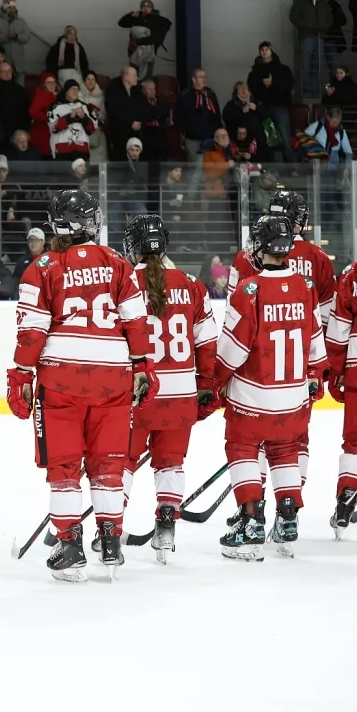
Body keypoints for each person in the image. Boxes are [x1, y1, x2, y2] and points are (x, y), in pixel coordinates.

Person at [6, 190, 157, 582]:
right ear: (91, 223)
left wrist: (21, 374)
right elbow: (136, 321)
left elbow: (32, 331)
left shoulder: (43, 266)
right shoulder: (118, 263)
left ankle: (70, 545)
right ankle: (110, 541)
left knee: (65, 467)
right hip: (113, 379)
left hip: (62, 380)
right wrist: (142, 366)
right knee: (108, 465)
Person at [214, 214, 327, 560]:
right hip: (293, 397)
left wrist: (216, 381)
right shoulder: (305, 287)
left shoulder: (250, 289)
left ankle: (251, 523)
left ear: (262, 247)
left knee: (242, 448)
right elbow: (316, 345)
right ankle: (288, 520)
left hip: (253, 396)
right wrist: (313, 377)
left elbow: (232, 350)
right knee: (285, 452)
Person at [121, 215, 219, 562]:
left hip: (137, 392)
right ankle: (166, 531)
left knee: (122, 463)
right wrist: (206, 385)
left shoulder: (124, 283)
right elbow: (207, 343)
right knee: (171, 464)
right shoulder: (192, 284)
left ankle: (109, 528)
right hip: (181, 394)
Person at [227, 191, 335, 324]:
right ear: (297, 219)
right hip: (304, 334)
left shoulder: (246, 256)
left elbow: (232, 312)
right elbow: (326, 315)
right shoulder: (319, 256)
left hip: (260, 334)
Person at [326, 251, 357, 536]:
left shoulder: (353, 273)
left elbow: (339, 330)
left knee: (356, 441)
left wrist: (336, 371)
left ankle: (348, 494)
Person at [290, 0, 333, 98]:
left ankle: (315, 89)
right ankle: (307, 90)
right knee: (307, 64)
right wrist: (306, 26)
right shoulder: (301, 1)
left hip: (320, 36)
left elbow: (329, 18)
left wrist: (323, 27)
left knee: (318, 64)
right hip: (307, 36)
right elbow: (293, 17)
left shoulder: (322, 2)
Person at [117, 0, 172, 80]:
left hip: (147, 55)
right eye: (143, 7)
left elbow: (156, 37)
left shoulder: (157, 20)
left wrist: (138, 42)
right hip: (134, 53)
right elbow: (121, 23)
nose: (146, 9)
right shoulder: (137, 18)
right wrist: (131, 15)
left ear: (152, 8)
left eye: (148, 7)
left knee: (145, 79)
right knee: (132, 77)